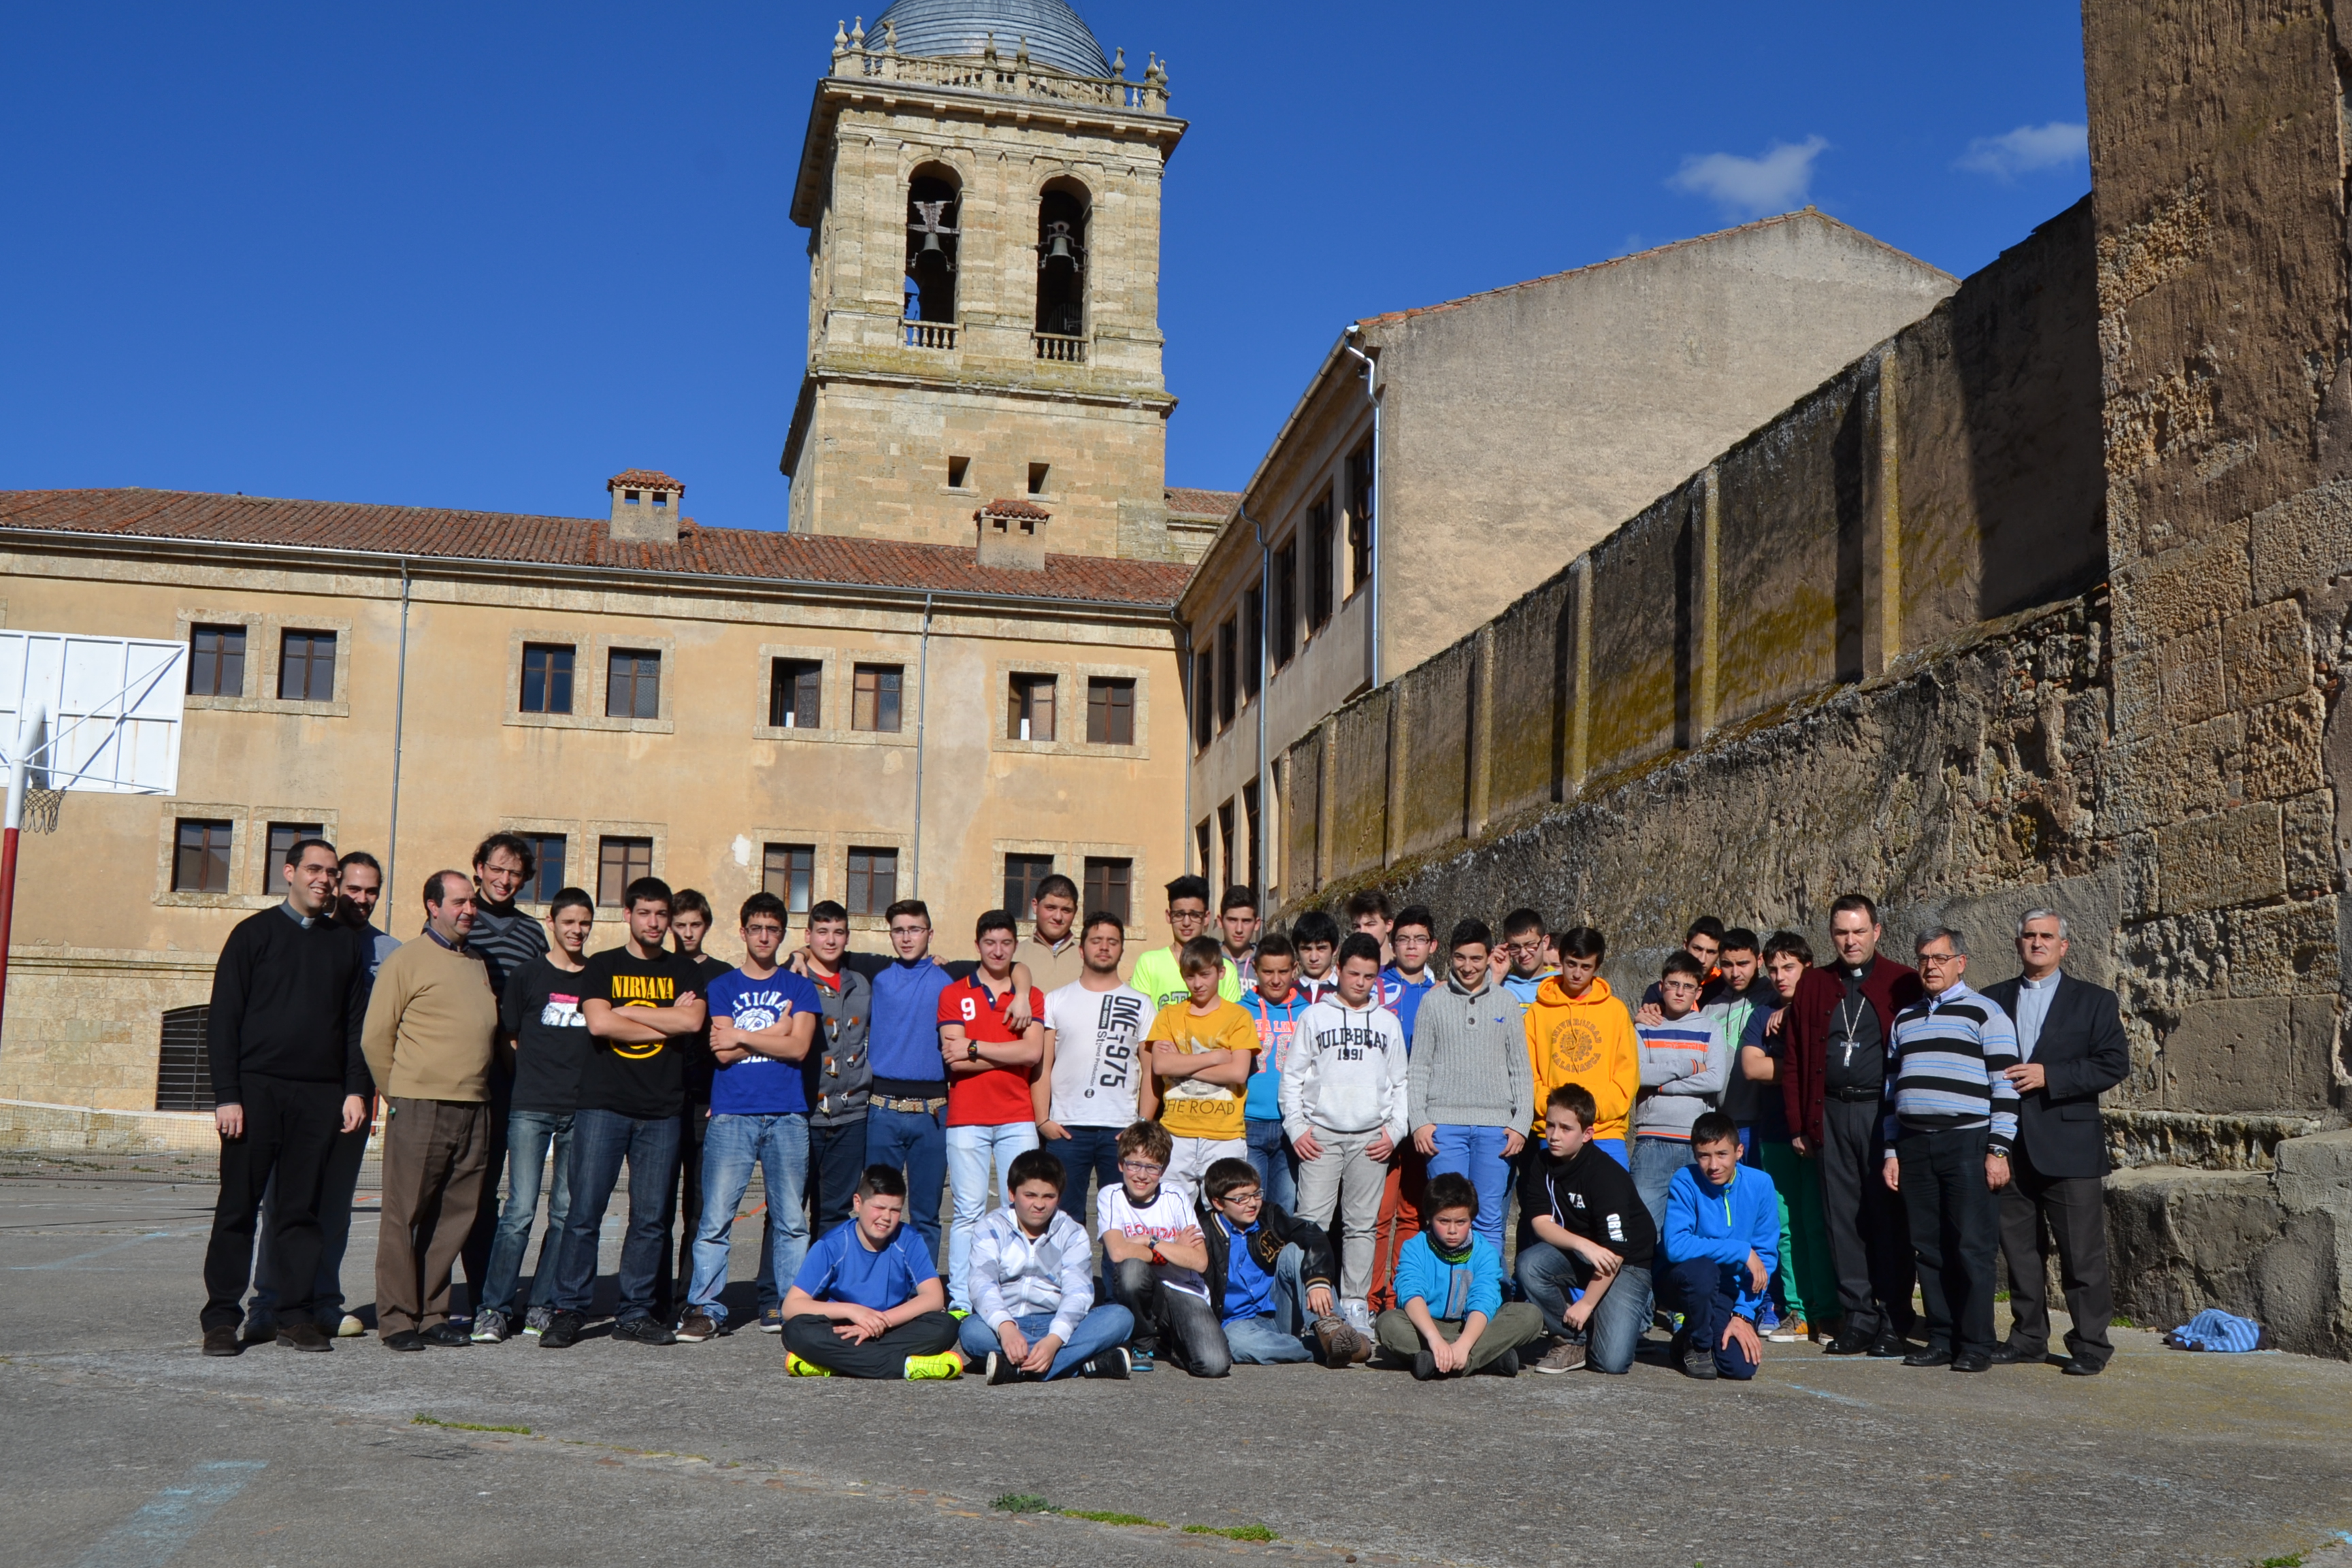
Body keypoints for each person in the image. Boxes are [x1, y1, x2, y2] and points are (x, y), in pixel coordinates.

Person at [199, 836, 371, 1356]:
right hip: (255, 1094)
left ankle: (294, 1316)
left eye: (332, 873)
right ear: (289, 873)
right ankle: (222, 1319)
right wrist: (228, 1095)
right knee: (237, 1209)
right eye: (315, 870)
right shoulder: (252, 935)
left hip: (318, 1098)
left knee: (301, 1213)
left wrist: (355, 1090)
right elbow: (224, 1019)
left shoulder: (344, 943)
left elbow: (353, 1026)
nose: (325, 880)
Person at [540, 877, 705, 1350]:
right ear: (629, 915)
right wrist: (659, 1016)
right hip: (603, 1107)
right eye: (645, 913)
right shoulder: (603, 966)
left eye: (661, 914)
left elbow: (692, 1022)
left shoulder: (685, 971)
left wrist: (629, 1013)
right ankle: (569, 1309)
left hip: (661, 1112)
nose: (654, 922)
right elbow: (599, 1021)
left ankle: (634, 1312)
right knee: (584, 1213)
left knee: (651, 1219)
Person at [245, 849, 394, 1343]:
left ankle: (323, 1302)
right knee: (282, 1203)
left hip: (352, 1098)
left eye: (371, 890)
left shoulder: (390, 953)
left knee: (334, 1207)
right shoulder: (302, 938)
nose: (361, 898)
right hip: (298, 1094)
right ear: (332, 885)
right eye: (352, 887)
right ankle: (268, 1302)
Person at [1980, 909, 2129, 1375]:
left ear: (2064, 946)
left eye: (2047, 936)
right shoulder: (1992, 1000)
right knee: (2020, 1251)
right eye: (2029, 936)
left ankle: (2089, 1344)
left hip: (2069, 1148)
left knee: (2081, 1253)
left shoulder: (2095, 1001)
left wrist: (2052, 1076)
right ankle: (2027, 1336)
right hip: (2010, 1146)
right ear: (2017, 943)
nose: (2038, 943)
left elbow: (2112, 1064)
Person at [362, 870, 501, 1351]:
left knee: (454, 1218)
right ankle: (398, 1318)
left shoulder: (476, 963)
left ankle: (434, 1312)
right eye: (459, 901)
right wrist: (398, 1095)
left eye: (472, 903)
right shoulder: (407, 960)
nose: (469, 910)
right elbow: (375, 1036)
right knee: (406, 1215)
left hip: (474, 1106)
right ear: (432, 905)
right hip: (421, 1105)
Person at [1781, 892, 1923, 1356]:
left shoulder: (1902, 980)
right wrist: (1800, 1123)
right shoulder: (1815, 984)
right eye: (1842, 932)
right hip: (1831, 1113)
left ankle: (1894, 1315)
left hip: (1881, 1114)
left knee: (1888, 1216)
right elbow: (1796, 1059)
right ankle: (1857, 1315)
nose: (1851, 941)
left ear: (1876, 932)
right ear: (1831, 936)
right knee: (1840, 1218)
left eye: (1859, 931)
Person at [680, 892, 823, 1342]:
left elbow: (799, 1048)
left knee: (791, 1221)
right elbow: (721, 1052)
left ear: (783, 935)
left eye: (773, 930)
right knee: (715, 1219)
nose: (764, 937)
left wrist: (744, 1033)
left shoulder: (800, 986)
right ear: (743, 932)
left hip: (786, 1115)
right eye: (756, 928)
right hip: (732, 1115)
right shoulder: (722, 985)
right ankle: (705, 1307)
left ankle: (790, 1306)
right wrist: (777, 1029)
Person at [1884, 928, 2020, 1373]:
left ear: (1961, 962)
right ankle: (1941, 1338)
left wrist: (1998, 1149)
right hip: (1914, 1144)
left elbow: (2005, 1088)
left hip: (1968, 1141)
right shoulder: (1904, 1020)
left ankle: (1976, 1343)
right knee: (1928, 1247)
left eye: (1940, 958)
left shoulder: (1987, 1015)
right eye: (1924, 958)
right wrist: (1891, 1151)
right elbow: (1891, 1092)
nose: (1931, 966)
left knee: (1972, 1247)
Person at [473, 886, 596, 1342]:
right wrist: (529, 1080)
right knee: (519, 1211)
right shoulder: (528, 976)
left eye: (584, 923)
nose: (577, 930)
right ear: (552, 923)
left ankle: (542, 1304)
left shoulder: (597, 977)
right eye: (569, 922)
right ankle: (494, 1307)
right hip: (531, 1107)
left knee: (564, 1213)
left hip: (579, 1111)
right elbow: (510, 1039)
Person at [1285, 933, 1409, 1330]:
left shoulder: (1388, 1023)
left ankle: (1356, 1305)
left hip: (1370, 1139)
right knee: (1311, 1223)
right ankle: (1311, 1305)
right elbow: (1292, 1078)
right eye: (1353, 973)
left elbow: (1401, 1084)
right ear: (1338, 969)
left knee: (1362, 1226)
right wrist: (1297, 1127)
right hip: (1320, 1136)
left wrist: (1394, 1132)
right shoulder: (1314, 1017)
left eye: (1369, 976)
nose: (1360, 982)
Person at [458, 833, 551, 1313]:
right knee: (470, 1185)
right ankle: (460, 1293)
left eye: (515, 873)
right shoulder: (461, 919)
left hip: (516, 1074)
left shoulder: (533, 934)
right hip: (466, 1070)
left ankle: (492, 1294)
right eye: (497, 869)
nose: (505, 880)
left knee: (508, 1190)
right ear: (479, 867)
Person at [938, 911, 1046, 1315]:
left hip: (1017, 1115)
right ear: (977, 945)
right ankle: (964, 1300)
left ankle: (1009, 1295)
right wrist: (1004, 1054)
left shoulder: (1029, 996)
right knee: (968, 1211)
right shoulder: (954, 993)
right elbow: (955, 1061)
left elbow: (1032, 1053)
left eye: (1005, 943)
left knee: (1016, 1209)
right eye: (989, 943)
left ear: (1014, 945)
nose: (997, 950)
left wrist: (976, 1046)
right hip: (967, 1116)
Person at [1406, 919, 1531, 1256]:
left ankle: (1487, 1293)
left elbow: (1520, 1068)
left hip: (1497, 1129)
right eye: (1460, 958)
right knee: (1445, 1215)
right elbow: (1419, 1066)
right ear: (1449, 956)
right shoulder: (1433, 1002)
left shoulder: (1506, 1003)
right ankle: (1446, 1294)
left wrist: (1521, 1123)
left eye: (1476, 959)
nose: (1468, 966)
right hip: (1443, 1127)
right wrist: (1419, 1119)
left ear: (1490, 957)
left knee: (1489, 1220)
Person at [960, 1148, 1135, 1382]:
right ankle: (1083, 1365)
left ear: (1059, 1197)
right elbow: (982, 1284)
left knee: (1120, 1318)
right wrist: (1006, 1328)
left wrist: (1054, 1340)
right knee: (971, 1332)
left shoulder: (1073, 1233)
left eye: (1048, 1196)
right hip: (1006, 1321)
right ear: (1012, 1194)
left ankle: (1017, 1370)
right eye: (1030, 1195)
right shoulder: (990, 1227)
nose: (1039, 1205)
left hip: (1058, 1321)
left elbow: (1078, 1293)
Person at [1516, 1084, 1655, 1374]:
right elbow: (1541, 1223)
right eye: (1550, 1125)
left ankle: (1606, 1317)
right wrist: (1582, 1245)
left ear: (1587, 1134)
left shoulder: (1605, 1175)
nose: (1554, 1135)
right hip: (1587, 1253)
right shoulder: (1542, 1164)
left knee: (1610, 1363)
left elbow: (1616, 1251)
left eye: (1566, 1128)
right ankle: (1571, 1339)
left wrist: (1586, 1305)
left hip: (1626, 1262)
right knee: (1530, 1264)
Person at [781, 1165, 964, 1379]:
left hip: (891, 1326)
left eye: (895, 1210)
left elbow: (933, 1298)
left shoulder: (909, 1240)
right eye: (879, 1207)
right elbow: (791, 1306)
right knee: (795, 1331)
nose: (886, 1217)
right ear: (857, 1203)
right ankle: (906, 1367)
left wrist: (879, 1322)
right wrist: (853, 1311)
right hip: (843, 1328)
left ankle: (831, 1363)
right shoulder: (831, 1245)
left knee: (946, 1326)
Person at [1740, 931, 1834, 1342]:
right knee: (1785, 1227)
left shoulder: (1826, 1008)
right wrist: (1799, 1067)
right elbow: (1751, 1068)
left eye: (1789, 967)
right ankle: (1798, 1310)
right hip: (1776, 1132)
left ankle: (1828, 1310)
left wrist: (1793, 1031)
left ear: (1808, 968)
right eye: (1773, 969)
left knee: (1820, 1222)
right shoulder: (1762, 1015)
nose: (1779, 976)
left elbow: (1831, 1065)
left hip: (1817, 1132)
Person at [1196, 1156, 1370, 1369]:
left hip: (1280, 1308)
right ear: (1218, 1202)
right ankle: (1327, 1348)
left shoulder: (1268, 1215)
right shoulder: (1202, 1232)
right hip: (1237, 1324)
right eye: (1241, 1199)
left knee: (1295, 1251)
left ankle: (1331, 1327)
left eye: (1255, 1194)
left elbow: (1311, 1234)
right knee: (1238, 1345)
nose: (1252, 1203)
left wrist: (1318, 1280)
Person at [860, 899, 959, 1269]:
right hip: (882, 1110)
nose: (906, 938)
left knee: (926, 1214)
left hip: (932, 1114)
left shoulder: (950, 976)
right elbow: (822, 948)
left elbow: (1012, 965)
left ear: (930, 934)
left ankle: (923, 1290)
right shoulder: (876, 972)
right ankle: (875, 1283)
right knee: (877, 1210)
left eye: (915, 929)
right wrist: (803, 955)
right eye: (899, 930)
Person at [1036, 910, 1147, 1225]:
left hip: (1121, 1130)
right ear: (1082, 947)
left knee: (1122, 1220)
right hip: (1067, 1128)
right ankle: (1068, 1277)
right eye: (1096, 940)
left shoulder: (1141, 1003)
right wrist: (1042, 1118)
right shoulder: (1056, 1000)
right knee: (1063, 1221)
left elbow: (1150, 1070)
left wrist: (1141, 1123)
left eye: (1113, 941)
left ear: (1122, 949)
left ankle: (1116, 1278)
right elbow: (1043, 1066)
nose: (1104, 947)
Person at [1375, 1171, 1544, 1379]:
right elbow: (1410, 1293)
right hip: (1428, 1326)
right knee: (1388, 1324)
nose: (1452, 1230)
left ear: (1471, 1220)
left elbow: (1484, 1300)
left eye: (1461, 1222)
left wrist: (1463, 1345)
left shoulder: (1485, 1252)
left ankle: (1439, 1361)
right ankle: (1489, 1358)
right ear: (1429, 1218)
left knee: (1530, 1316)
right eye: (1443, 1221)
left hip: (1474, 1327)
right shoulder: (1415, 1247)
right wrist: (1435, 1340)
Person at [1657, 1111, 1778, 1380]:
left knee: (1739, 1367)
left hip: (1726, 1289)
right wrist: (1741, 1250)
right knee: (1704, 1270)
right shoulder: (1684, 1180)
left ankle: (1688, 1336)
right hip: (1683, 1281)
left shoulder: (1760, 1185)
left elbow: (1766, 1257)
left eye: (1722, 1154)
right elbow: (1675, 1246)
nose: (1713, 1165)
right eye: (1704, 1155)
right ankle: (1699, 1346)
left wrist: (1743, 1314)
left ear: (1739, 1151)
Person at [657, 887, 730, 1323]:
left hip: (707, 1104)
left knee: (701, 1208)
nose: (687, 933)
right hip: (663, 1101)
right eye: (679, 926)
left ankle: (691, 1294)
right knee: (658, 1205)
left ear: (707, 926)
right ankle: (653, 1295)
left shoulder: (720, 975)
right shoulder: (660, 970)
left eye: (694, 925)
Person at [1142, 935, 1258, 1200]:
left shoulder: (1239, 1017)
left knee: (1227, 1216)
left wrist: (1181, 1064)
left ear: (1221, 972)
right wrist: (1216, 1057)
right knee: (1172, 1216)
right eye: (1190, 976)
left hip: (1225, 1135)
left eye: (1205, 975)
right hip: (1176, 1134)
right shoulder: (1169, 1015)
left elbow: (1238, 1072)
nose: (1197, 984)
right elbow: (1160, 1065)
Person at [1098, 1119, 1218, 1373]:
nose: (1142, 1175)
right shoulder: (1111, 1196)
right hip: (1143, 1291)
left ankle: (1170, 1343)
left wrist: (1149, 1241)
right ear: (1121, 1165)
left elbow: (1199, 1261)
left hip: (1183, 1289)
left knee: (1213, 1365)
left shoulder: (1175, 1197)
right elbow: (1117, 1252)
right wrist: (1172, 1248)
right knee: (1131, 1269)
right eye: (1134, 1165)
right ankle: (1143, 1342)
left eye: (1152, 1167)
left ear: (1162, 1171)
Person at [1628, 951, 1732, 1229]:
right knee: (1645, 1226)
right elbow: (1638, 1075)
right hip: (1651, 1140)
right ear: (1661, 987)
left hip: (1696, 1141)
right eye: (1673, 984)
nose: (1679, 992)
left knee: (1695, 1226)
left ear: (1698, 992)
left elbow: (1714, 1080)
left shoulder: (1710, 1029)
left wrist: (1660, 1084)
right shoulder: (1643, 1028)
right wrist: (1688, 1065)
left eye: (1688, 987)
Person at [1520, 927, 1637, 1165]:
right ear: (1560, 961)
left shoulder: (1615, 1011)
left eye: (1586, 967)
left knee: (1612, 1202)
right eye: (1571, 964)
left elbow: (1627, 1075)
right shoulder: (1538, 1012)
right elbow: (1527, 1074)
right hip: (1554, 1132)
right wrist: (1554, 1110)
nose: (1576, 973)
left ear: (1597, 968)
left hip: (1605, 1132)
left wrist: (1592, 1111)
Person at [800, 900, 872, 1244]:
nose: (830, 940)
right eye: (822, 932)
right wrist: (796, 957)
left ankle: (824, 1290)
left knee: (836, 1211)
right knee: (789, 1210)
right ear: (808, 935)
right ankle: (773, 1294)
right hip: (803, 1115)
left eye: (838, 932)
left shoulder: (860, 982)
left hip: (851, 1116)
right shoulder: (794, 978)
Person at [1239, 932, 1309, 1212]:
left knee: (1283, 1209)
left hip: (1290, 1127)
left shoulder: (1309, 1013)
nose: (1276, 979)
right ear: (1255, 970)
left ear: (1295, 969)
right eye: (1268, 972)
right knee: (1247, 1207)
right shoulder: (1240, 1012)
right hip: (1248, 1123)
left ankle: (1280, 1259)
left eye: (1283, 971)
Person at [1129, 875, 1243, 1011]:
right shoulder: (1149, 963)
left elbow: (1232, 1020)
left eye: (1194, 915)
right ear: (1168, 916)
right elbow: (1139, 1017)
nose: (1186, 923)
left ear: (1206, 917)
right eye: (1179, 915)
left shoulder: (1226, 969)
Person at [1637, 916, 1729, 1015]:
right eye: (1697, 949)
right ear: (1685, 945)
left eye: (1711, 952)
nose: (1702, 959)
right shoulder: (1659, 991)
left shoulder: (1727, 988)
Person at [1012, 873, 1086, 993]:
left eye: (1066, 910)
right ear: (1035, 906)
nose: (1058, 917)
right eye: (1051, 908)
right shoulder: (1013, 957)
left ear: (1075, 912)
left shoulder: (1088, 959)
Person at [1496, 908, 1556, 1005]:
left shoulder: (1559, 984)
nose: (1523, 954)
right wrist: (1496, 977)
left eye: (1530, 945)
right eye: (1514, 947)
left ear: (1545, 942)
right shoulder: (1500, 983)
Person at [1292, 910, 1341, 1003]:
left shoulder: (1345, 991)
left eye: (1321, 948)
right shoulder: (1289, 993)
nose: (1314, 958)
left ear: (1335, 950)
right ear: (1297, 951)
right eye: (1306, 949)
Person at [1218, 884, 1262, 990]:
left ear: (1257, 924)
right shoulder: (1208, 960)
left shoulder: (1266, 962)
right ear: (1220, 922)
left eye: (1246, 921)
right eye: (1232, 920)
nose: (1239, 929)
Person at [1346, 889, 1396, 966]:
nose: (1362, 932)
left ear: (1388, 925)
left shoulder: (1408, 969)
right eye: (1357, 926)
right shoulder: (1346, 971)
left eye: (1370, 924)